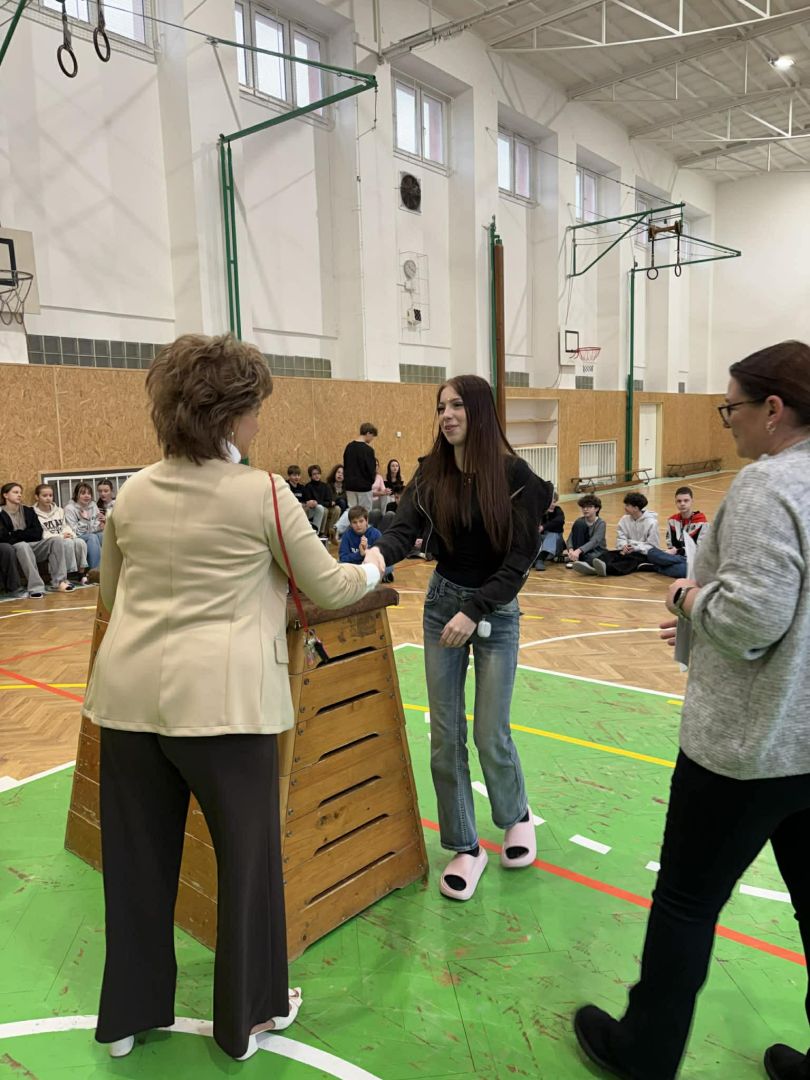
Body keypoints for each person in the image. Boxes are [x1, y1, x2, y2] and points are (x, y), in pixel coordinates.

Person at [82, 333, 381, 1063]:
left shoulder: (133, 492)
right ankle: (247, 1017)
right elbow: (329, 585)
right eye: (254, 410)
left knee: (135, 868)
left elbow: (112, 595)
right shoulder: (265, 493)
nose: (258, 423)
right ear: (230, 415)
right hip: (225, 710)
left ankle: (124, 1019)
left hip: (128, 703)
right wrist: (373, 565)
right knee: (247, 869)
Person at [574, 340, 810, 1080]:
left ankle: (644, 1053)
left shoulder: (768, 484)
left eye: (731, 407)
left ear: (773, 410)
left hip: (748, 747)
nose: (727, 420)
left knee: (685, 902)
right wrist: (709, 621)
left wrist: (688, 598)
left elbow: (752, 619)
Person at [365, 375, 553, 902]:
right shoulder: (432, 472)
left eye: (456, 406)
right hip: (441, 606)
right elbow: (404, 529)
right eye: (441, 407)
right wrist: (377, 558)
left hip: (495, 611)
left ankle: (515, 817)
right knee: (445, 736)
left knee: (490, 732)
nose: (446, 415)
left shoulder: (516, 478)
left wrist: (476, 609)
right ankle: (466, 847)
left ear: (480, 411)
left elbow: (519, 561)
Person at [0, 482, 72, 595]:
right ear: (5, 495)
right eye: (15, 492)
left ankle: (59, 582)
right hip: (15, 548)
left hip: (34, 545)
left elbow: (37, 533)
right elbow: (3, 536)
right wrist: (24, 534)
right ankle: (36, 587)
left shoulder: (28, 511)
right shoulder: (1, 513)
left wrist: (14, 533)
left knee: (56, 540)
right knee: (22, 545)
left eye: (20, 492)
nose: (19, 495)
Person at [584, 492, 658, 577]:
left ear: (635, 508)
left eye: (627, 505)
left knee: (628, 562)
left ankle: (605, 569)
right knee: (608, 555)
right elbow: (621, 537)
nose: (625, 508)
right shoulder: (624, 519)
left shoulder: (651, 522)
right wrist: (624, 546)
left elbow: (653, 546)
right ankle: (594, 567)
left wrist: (635, 548)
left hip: (642, 553)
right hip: (626, 550)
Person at [644, 486, 710, 579]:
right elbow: (670, 544)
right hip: (675, 557)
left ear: (692, 501)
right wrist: (673, 552)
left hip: (694, 560)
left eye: (686, 500)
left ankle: (657, 567)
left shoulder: (702, 522)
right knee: (651, 552)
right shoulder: (672, 520)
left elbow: (700, 549)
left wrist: (679, 551)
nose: (682, 504)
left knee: (683, 570)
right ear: (675, 502)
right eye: (679, 501)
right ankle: (664, 565)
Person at [34, 483, 89, 584]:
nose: (48, 498)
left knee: (80, 542)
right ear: (37, 497)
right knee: (67, 543)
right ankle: (67, 575)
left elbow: (65, 525)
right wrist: (61, 536)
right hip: (49, 541)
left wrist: (70, 534)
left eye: (50, 495)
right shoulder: (33, 513)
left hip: (63, 536)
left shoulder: (59, 510)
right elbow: (41, 533)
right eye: (45, 496)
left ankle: (82, 574)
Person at [339, 505, 393, 583]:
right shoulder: (347, 535)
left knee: (389, 566)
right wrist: (360, 554)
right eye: (354, 522)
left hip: (369, 567)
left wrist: (366, 553)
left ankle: (360, 577)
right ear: (350, 524)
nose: (358, 525)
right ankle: (372, 577)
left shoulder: (375, 534)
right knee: (338, 564)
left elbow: (382, 556)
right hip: (354, 566)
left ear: (366, 521)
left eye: (361, 521)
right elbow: (343, 558)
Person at [65, 482, 105, 569]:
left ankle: (112, 569)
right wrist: (83, 520)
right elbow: (75, 532)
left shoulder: (93, 505)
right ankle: (95, 571)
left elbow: (97, 526)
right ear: (76, 495)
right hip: (76, 536)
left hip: (91, 533)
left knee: (104, 535)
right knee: (92, 537)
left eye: (89, 493)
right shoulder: (69, 509)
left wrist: (101, 525)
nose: (87, 496)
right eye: (83, 493)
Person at [564, 494, 607, 572]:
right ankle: (577, 559)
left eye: (589, 507)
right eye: (583, 507)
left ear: (597, 509)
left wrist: (578, 551)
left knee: (593, 558)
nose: (585, 509)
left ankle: (578, 560)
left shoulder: (601, 523)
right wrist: (571, 550)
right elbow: (570, 538)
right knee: (579, 523)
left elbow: (594, 541)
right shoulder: (579, 521)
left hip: (596, 550)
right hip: (581, 551)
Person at [343, 422, 377, 512]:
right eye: (372, 436)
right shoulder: (368, 450)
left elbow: (345, 465)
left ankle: (342, 522)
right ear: (368, 433)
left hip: (350, 486)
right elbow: (371, 470)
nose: (372, 439)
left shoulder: (349, 447)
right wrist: (371, 481)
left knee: (351, 511)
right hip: (364, 487)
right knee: (365, 512)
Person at [534, 491, 565, 570]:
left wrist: (543, 527)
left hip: (555, 547)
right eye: (550, 502)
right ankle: (534, 558)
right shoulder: (538, 512)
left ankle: (540, 559)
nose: (553, 504)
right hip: (542, 546)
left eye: (554, 502)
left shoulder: (558, 511)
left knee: (553, 534)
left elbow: (560, 521)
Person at [303, 465, 333, 537]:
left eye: (318, 473)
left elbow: (329, 501)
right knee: (322, 508)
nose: (317, 476)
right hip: (312, 509)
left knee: (332, 509)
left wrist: (319, 503)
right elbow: (309, 502)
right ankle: (317, 533)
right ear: (310, 476)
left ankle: (326, 532)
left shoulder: (325, 486)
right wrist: (320, 503)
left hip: (323, 506)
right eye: (314, 474)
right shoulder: (308, 486)